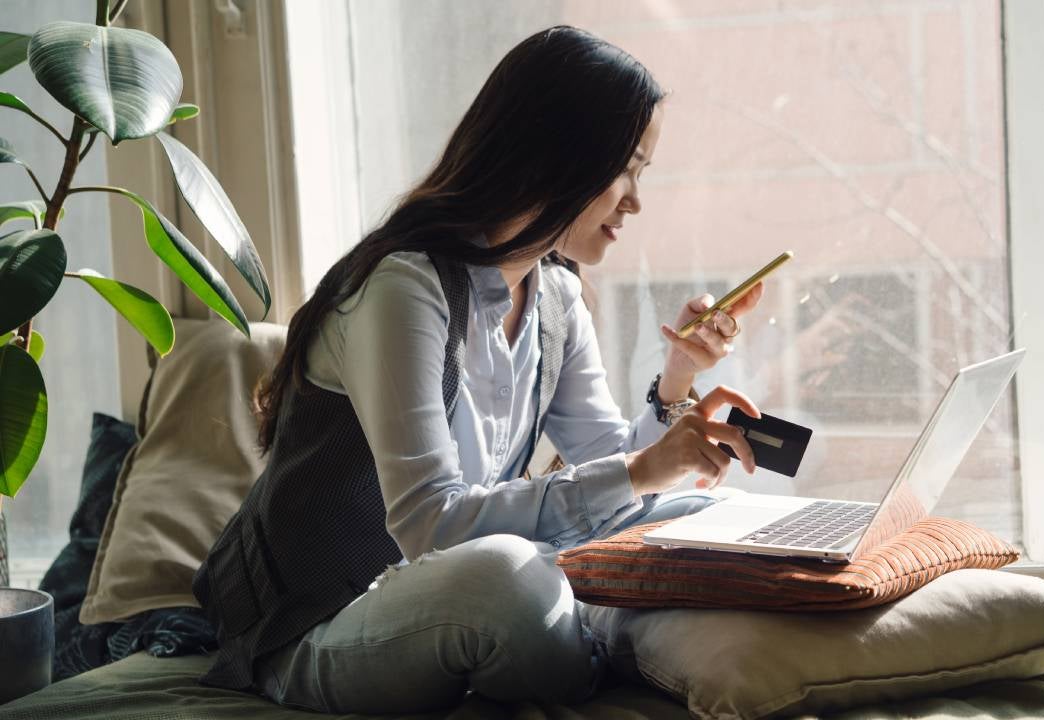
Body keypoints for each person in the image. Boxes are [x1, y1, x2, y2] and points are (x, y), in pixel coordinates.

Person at [191, 24, 766, 714]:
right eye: (627, 168)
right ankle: (611, 634)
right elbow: (430, 526)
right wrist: (641, 473)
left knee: (717, 513)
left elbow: (609, 465)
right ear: (555, 156)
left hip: (465, 594)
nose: (635, 200)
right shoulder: (403, 288)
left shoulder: (554, 295)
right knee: (506, 580)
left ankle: (606, 626)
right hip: (324, 625)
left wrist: (676, 381)